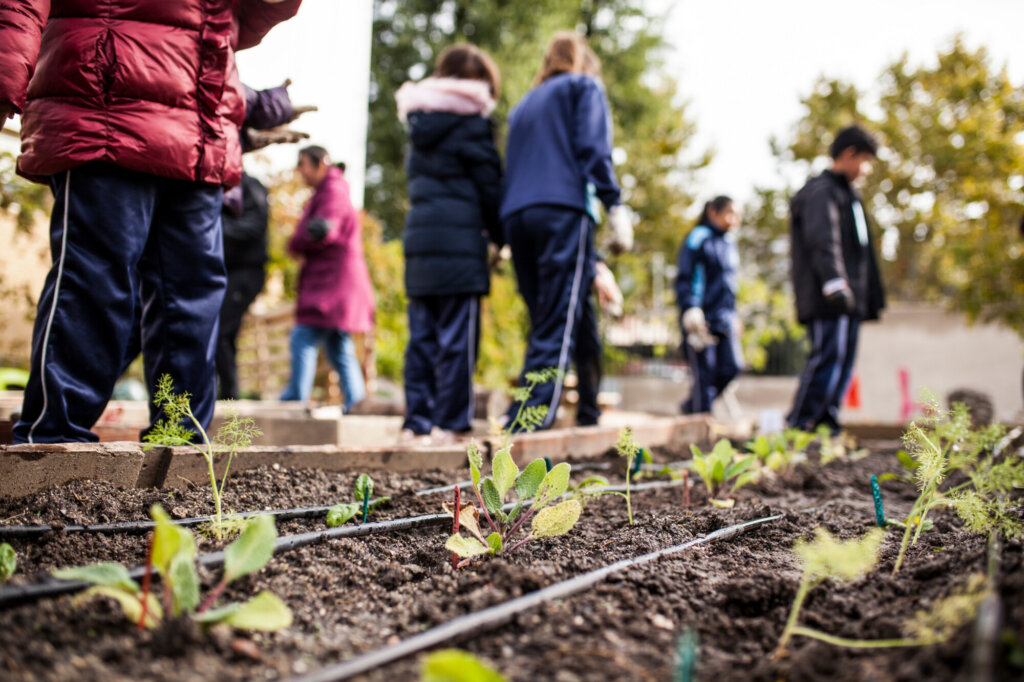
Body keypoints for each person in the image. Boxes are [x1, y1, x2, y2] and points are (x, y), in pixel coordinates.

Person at [1, 0, 301, 444]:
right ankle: (53, 443)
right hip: (106, 106)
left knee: (192, 294)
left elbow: (243, 21)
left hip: (199, 126)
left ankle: (179, 444)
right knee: (96, 283)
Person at [501, 31, 635, 431]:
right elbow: (595, 149)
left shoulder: (523, 105)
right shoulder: (584, 86)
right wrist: (614, 203)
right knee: (555, 322)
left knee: (555, 316)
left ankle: (584, 411)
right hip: (562, 209)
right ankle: (526, 426)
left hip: (516, 216)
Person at [394, 44, 503, 445]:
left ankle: (416, 423)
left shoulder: (419, 123)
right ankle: (452, 424)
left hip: (420, 240)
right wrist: (501, 237)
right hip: (461, 243)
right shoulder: (474, 125)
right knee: (457, 339)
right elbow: (490, 190)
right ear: (478, 84)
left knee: (421, 337)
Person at [787, 125, 886, 434]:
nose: (867, 170)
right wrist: (834, 282)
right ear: (849, 154)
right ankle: (799, 424)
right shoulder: (822, 191)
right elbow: (822, 239)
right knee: (827, 358)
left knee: (843, 364)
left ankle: (827, 423)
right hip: (829, 294)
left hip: (850, 296)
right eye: (866, 160)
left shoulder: (849, 194)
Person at [280, 147, 374, 413]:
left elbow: (323, 231)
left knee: (304, 335)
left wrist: (301, 240)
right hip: (337, 281)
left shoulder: (332, 190)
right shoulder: (330, 190)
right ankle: (355, 402)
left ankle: (295, 400)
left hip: (332, 284)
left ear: (320, 164)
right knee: (337, 343)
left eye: (303, 165)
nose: (300, 171)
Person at [675, 196, 743, 415]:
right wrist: (690, 307)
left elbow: (730, 286)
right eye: (730, 213)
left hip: (724, 318)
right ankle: (699, 422)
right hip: (701, 318)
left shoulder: (729, 243)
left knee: (731, 366)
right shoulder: (698, 238)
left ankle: (691, 407)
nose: (735, 220)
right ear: (713, 212)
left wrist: (734, 315)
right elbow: (687, 275)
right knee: (704, 372)